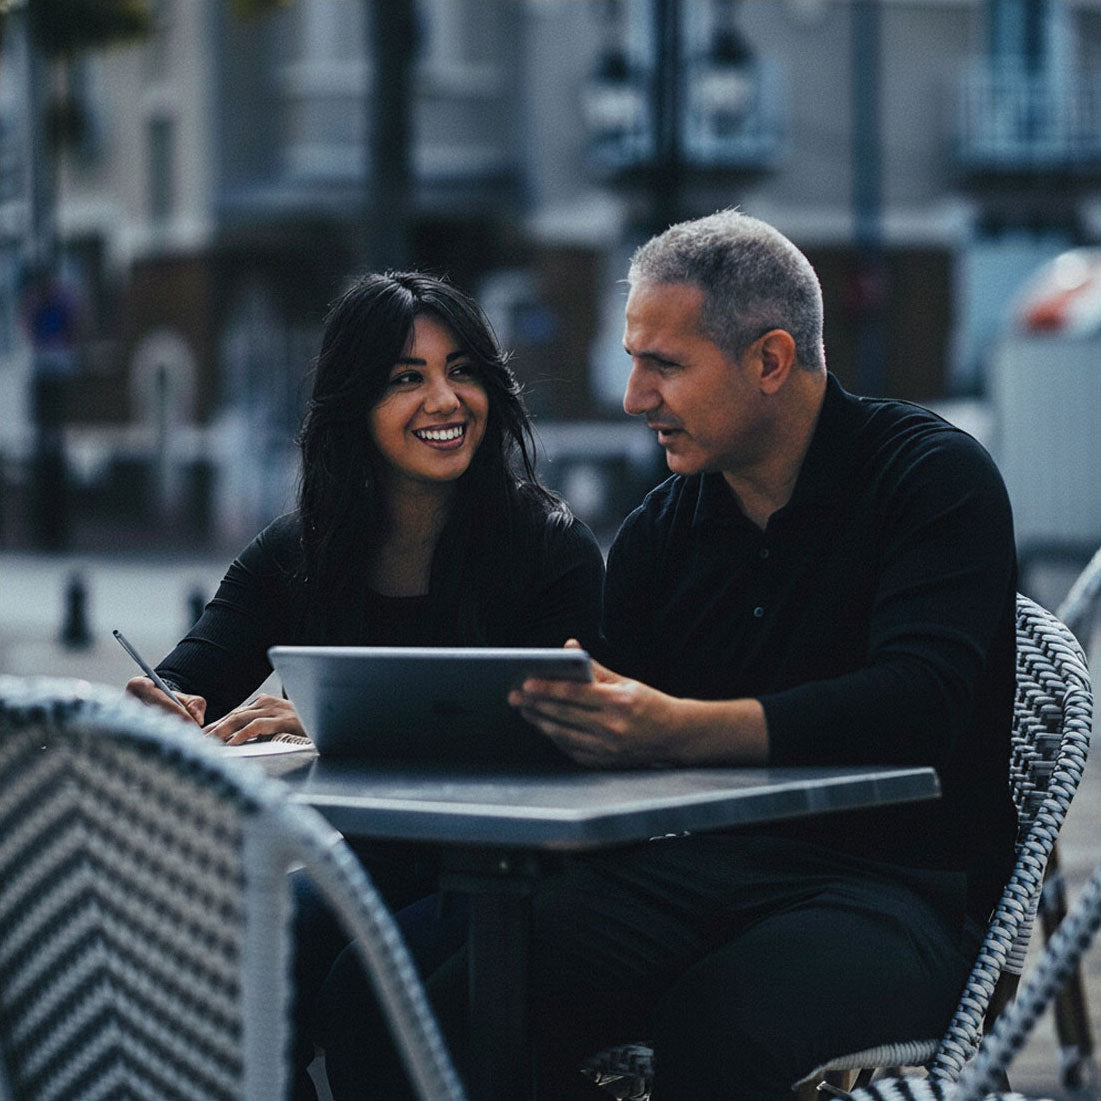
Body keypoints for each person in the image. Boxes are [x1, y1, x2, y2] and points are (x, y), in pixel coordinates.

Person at [344, 211, 1017, 1100]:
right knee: (441, 1011)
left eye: (662, 365)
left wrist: (678, 727)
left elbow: (916, 701)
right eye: (633, 360)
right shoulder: (666, 525)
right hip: (699, 873)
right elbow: (611, 719)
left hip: (899, 888)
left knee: (718, 1025)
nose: (633, 396)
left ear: (770, 360)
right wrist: (429, 705)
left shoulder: (929, 477)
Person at [123, 270, 605, 1096]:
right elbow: (185, 676)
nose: (445, 399)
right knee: (227, 970)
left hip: (520, 877)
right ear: (354, 403)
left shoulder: (546, 548)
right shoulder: (297, 553)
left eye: (462, 370)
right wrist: (165, 702)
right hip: (381, 868)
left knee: (365, 992)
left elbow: (587, 742)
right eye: (405, 378)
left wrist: (312, 727)